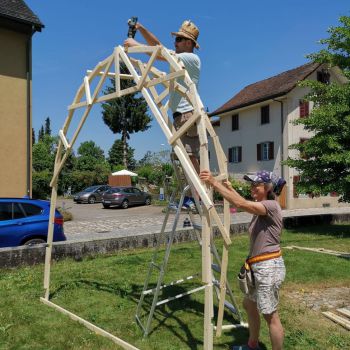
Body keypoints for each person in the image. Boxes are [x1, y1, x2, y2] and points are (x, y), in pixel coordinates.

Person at [199, 169, 287, 350]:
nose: (252, 188)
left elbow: (241, 204)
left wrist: (214, 183)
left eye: (257, 185)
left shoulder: (270, 206)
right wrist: (230, 189)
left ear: (268, 188)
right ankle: (252, 345)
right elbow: (243, 202)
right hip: (258, 266)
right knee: (249, 304)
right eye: (252, 185)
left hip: (268, 266)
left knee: (270, 315)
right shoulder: (261, 206)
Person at [124, 20, 201, 174]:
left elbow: (159, 52)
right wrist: (141, 28)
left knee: (190, 158)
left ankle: (201, 193)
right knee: (185, 158)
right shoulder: (179, 61)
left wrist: (133, 43)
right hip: (182, 116)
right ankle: (197, 193)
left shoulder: (190, 58)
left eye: (179, 39)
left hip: (187, 115)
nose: (175, 42)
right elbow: (159, 47)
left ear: (188, 43)